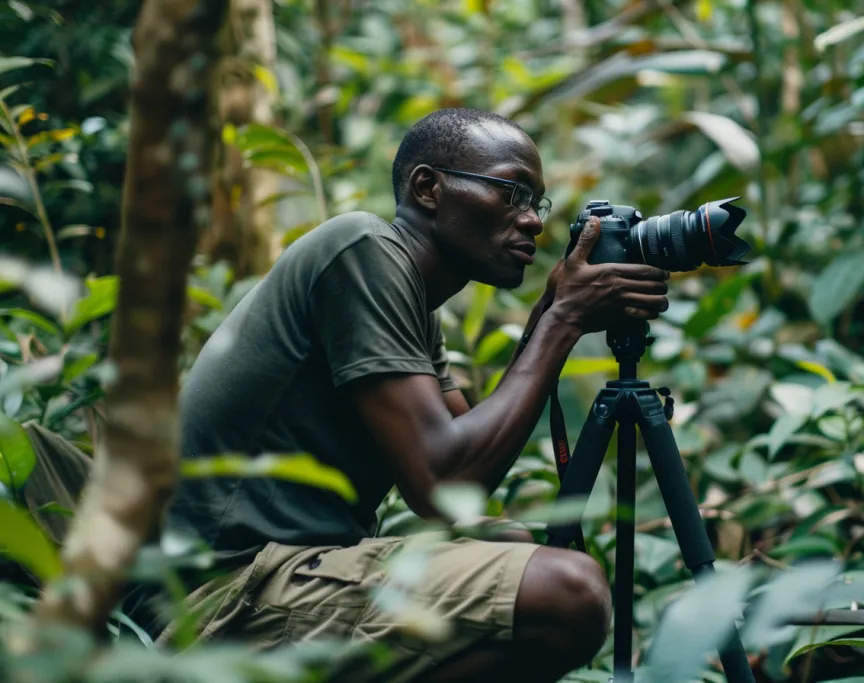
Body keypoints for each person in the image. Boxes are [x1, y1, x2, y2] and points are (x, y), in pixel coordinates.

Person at [140, 108, 671, 682]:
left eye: (535, 203)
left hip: (274, 575)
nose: (533, 222)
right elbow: (444, 484)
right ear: (428, 188)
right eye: (513, 192)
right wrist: (563, 321)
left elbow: (468, 467)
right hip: (213, 600)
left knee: (510, 541)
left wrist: (549, 314)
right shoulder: (360, 247)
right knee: (569, 592)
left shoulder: (412, 304)